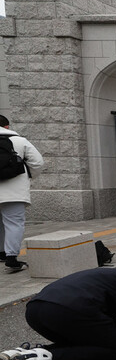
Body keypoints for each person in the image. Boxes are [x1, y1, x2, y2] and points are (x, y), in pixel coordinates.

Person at [0, 114, 44, 272]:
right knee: (13, 223)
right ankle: (11, 259)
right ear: (7, 127)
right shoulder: (19, 141)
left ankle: (1, 253)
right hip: (14, 191)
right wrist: (28, 175)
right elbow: (38, 162)